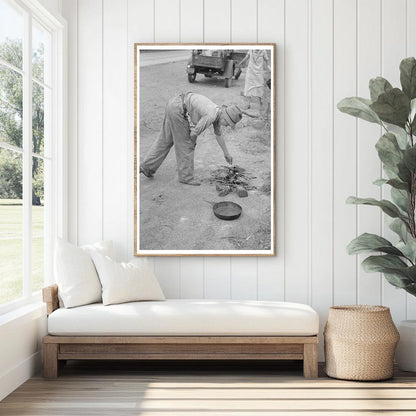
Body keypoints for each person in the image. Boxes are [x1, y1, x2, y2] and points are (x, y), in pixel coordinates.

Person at [140, 92, 243, 186]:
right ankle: (186, 177)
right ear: (225, 118)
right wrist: (191, 143)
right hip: (178, 109)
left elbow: (219, 135)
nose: (227, 126)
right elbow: (194, 133)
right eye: (228, 124)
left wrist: (226, 153)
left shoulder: (218, 113)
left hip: (174, 104)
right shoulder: (212, 115)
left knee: (165, 140)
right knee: (187, 145)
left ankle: (146, 167)